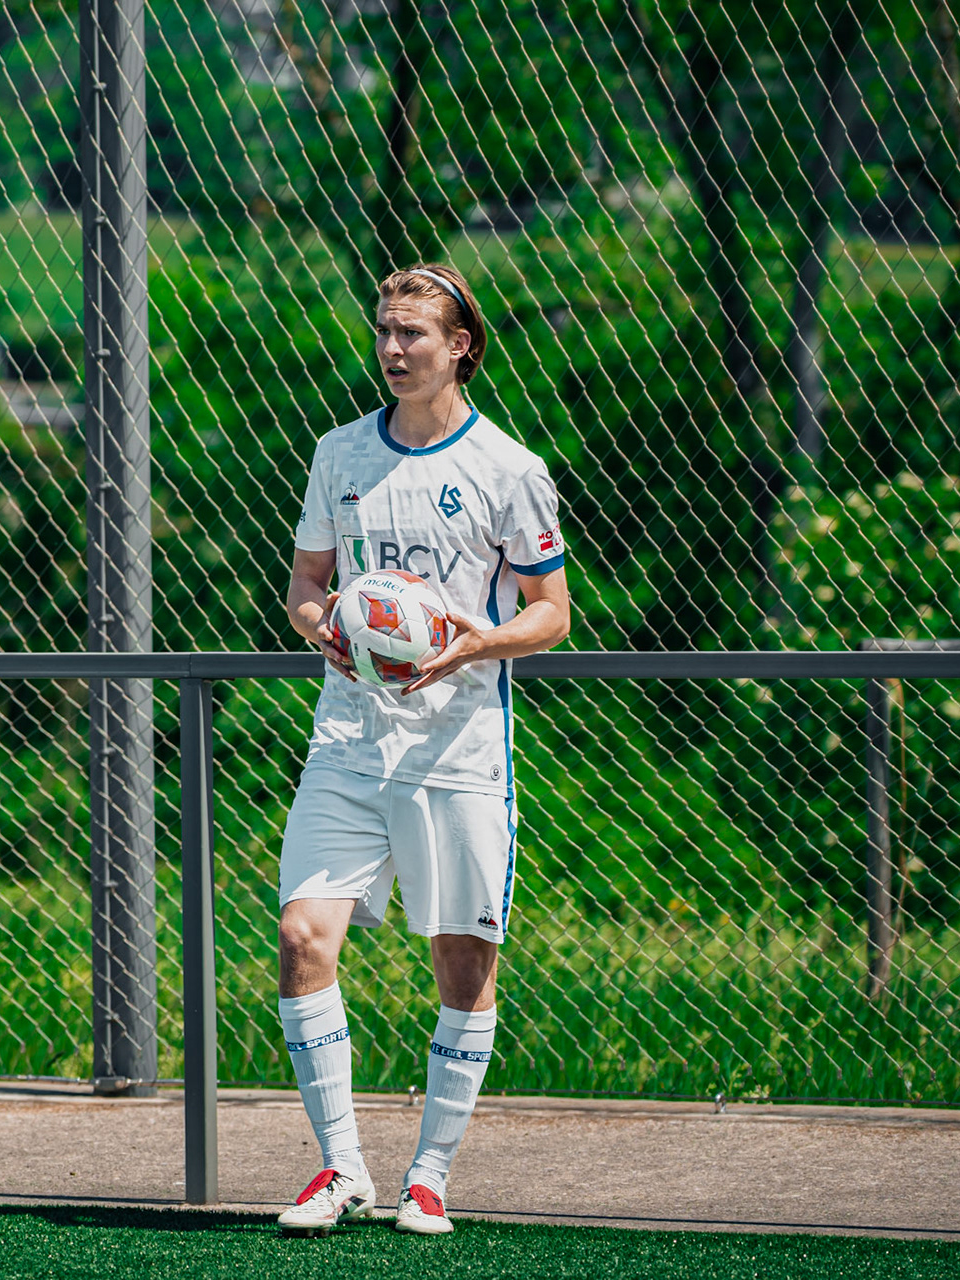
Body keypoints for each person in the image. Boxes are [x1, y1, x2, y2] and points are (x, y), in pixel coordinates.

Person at [274, 263, 571, 1237]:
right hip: (349, 739)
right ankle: (341, 1167)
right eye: (385, 331)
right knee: (302, 936)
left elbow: (550, 613)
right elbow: (307, 583)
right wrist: (331, 628)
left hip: (458, 750)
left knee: (463, 963)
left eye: (415, 334)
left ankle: (431, 1175)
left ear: (461, 347)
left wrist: (470, 644)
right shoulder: (338, 453)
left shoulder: (509, 468)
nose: (394, 349)